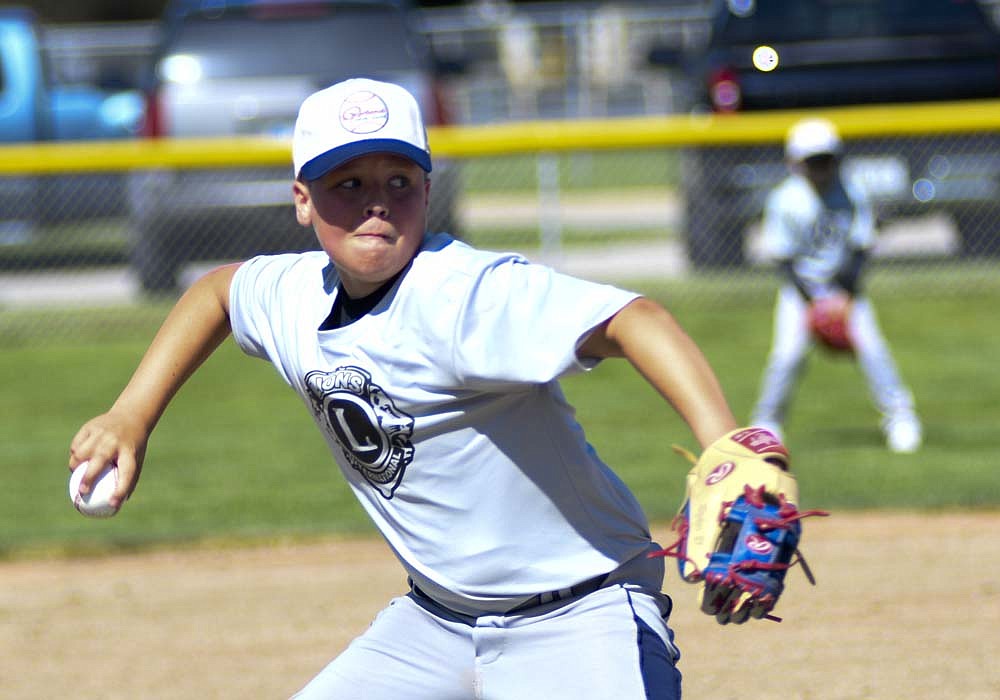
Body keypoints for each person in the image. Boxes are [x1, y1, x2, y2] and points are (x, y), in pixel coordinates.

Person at [70, 78, 749, 699]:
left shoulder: (468, 297)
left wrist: (724, 444)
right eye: (347, 181)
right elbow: (218, 293)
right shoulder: (294, 296)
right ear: (301, 200)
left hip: (581, 613)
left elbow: (638, 320)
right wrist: (133, 413)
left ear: (428, 191)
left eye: (400, 179)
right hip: (437, 623)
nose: (376, 200)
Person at [750, 117, 922, 453]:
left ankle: (900, 417)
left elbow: (861, 248)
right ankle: (767, 422)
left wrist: (843, 295)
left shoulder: (852, 192)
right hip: (800, 290)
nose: (821, 168)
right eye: (813, 162)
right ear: (795, 163)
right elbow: (783, 260)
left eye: (826, 160)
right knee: (787, 356)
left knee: (873, 348)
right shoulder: (785, 200)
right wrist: (812, 302)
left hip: (844, 289)